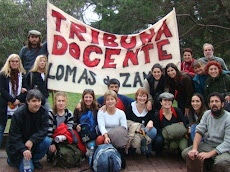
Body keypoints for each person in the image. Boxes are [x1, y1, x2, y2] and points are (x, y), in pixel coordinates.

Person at [182, 92, 230, 172]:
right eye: (212, 102)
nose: (214, 104)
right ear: (209, 104)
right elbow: (199, 130)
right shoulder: (207, 114)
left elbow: (228, 142)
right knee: (187, 153)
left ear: (222, 104)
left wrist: (209, 154)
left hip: (223, 148)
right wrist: (194, 149)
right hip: (208, 145)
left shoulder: (228, 118)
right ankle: (207, 163)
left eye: (216, 101)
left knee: (221, 163)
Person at [6, 89, 51, 171]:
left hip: (33, 143)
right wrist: (23, 149)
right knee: (27, 170)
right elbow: (14, 136)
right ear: (28, 101)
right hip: (19, 147)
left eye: (39, 101)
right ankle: (13, 160)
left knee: (47, 141)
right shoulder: (18, 114)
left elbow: (44, 129)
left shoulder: (43, 112)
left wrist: (32, 140)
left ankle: (34, 159)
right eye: (34, 101)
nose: (37, 104)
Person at [0, 54, 28, 148]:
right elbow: (2, 90)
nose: (15, 63)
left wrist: (18, 99)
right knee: (1, 127)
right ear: (9, 62)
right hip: (5, 104)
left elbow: (26, 89)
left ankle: (14, 149)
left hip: (18, 105)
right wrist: (12, 99)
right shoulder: (3, 74)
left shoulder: (23, 74)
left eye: (17, 61)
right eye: (13, 61)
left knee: (17, 128)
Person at [125, 88, 157, 157]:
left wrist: (151, 121)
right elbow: (127, 120)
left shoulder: (149, 107)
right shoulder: (131, 106)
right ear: (136, 97)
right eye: (140, 96)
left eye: (144, 96)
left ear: (147, 98)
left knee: (153, 131)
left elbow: (153, 118)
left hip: (145, 129)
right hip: (134, 130)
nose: (142, 98)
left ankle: (148, 146)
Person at [47, 92, 74, 160]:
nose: (61, 103)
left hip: (64, 138)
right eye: (59, 101)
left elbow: (69, 129)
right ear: (55, 102)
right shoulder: (50, 114)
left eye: (63, 101)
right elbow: (49, 131)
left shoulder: (69, 114)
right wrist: (52, 143)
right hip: (52, 138)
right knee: (50, 153)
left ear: (66, 102)